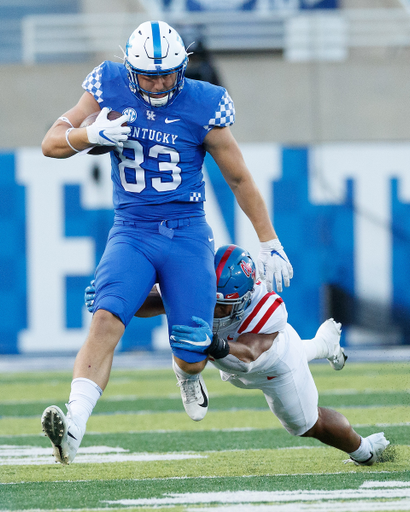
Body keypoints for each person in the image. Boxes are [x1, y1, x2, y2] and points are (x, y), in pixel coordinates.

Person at [40, 20, 293, 465]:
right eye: (149, 74)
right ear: (130, 67)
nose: (158, 83)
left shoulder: (203, 101)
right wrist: (88, 135)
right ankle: (74, 425)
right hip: (132, 229)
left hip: (186, 231)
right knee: (105, 319)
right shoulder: (108, 84)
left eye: (167, 73)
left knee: (194, 351)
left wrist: (269, 239)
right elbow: (51, 143)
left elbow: (237, 176)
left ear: (183, 65)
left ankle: (186, 372)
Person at [85, 244, 390, 466]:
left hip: (273, 366)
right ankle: (325, 343)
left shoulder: (267, 311)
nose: (210, 307)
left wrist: (214, 344)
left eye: (220, 303)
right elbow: (154, 301)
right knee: (194, 340)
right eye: (208, 297)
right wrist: (113, 301)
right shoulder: (201, 285)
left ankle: (364, 450)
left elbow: (250, 354)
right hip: (233, 360)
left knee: (308, 425)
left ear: (243, 299)